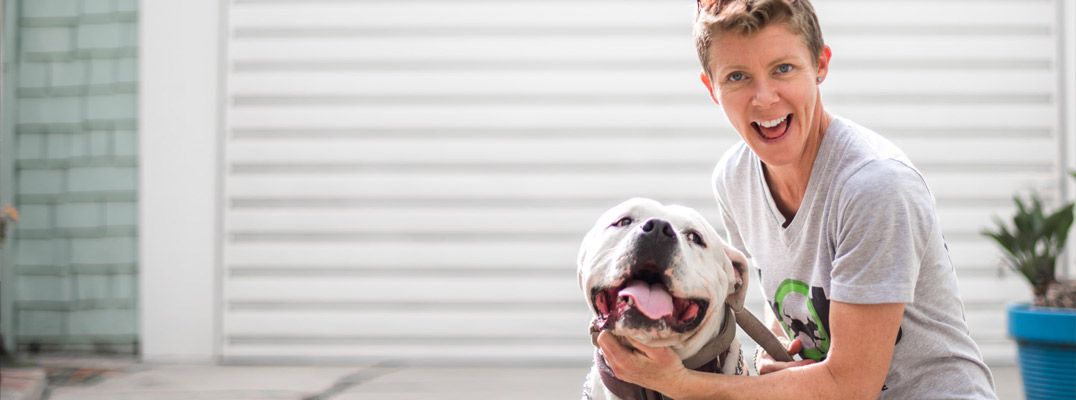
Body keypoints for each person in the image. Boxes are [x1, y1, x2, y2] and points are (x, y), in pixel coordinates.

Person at [595, 0, 999, 398]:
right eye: (737, 76)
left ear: (820, 65)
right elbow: (788, 298)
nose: (765, 98)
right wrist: (776, 356)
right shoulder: (735, 178)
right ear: (711, 88)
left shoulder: (875, 187)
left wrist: (677, 384)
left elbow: (850, 387)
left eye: (783, 69)